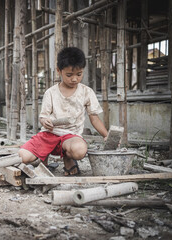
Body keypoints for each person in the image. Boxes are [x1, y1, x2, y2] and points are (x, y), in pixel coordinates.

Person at [19, 47, 108, 175]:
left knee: (79, 150)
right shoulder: (51, 92)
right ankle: (43, 159)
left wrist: (106, 135)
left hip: (70, 137)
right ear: (59, 71)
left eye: (79, 74)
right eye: (69, 75)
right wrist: (45, 121)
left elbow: (94, 118)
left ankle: (68, 158)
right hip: (49, 134)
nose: (74, 79)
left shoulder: (86, 92)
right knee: (23, 156)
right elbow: (43, 116)